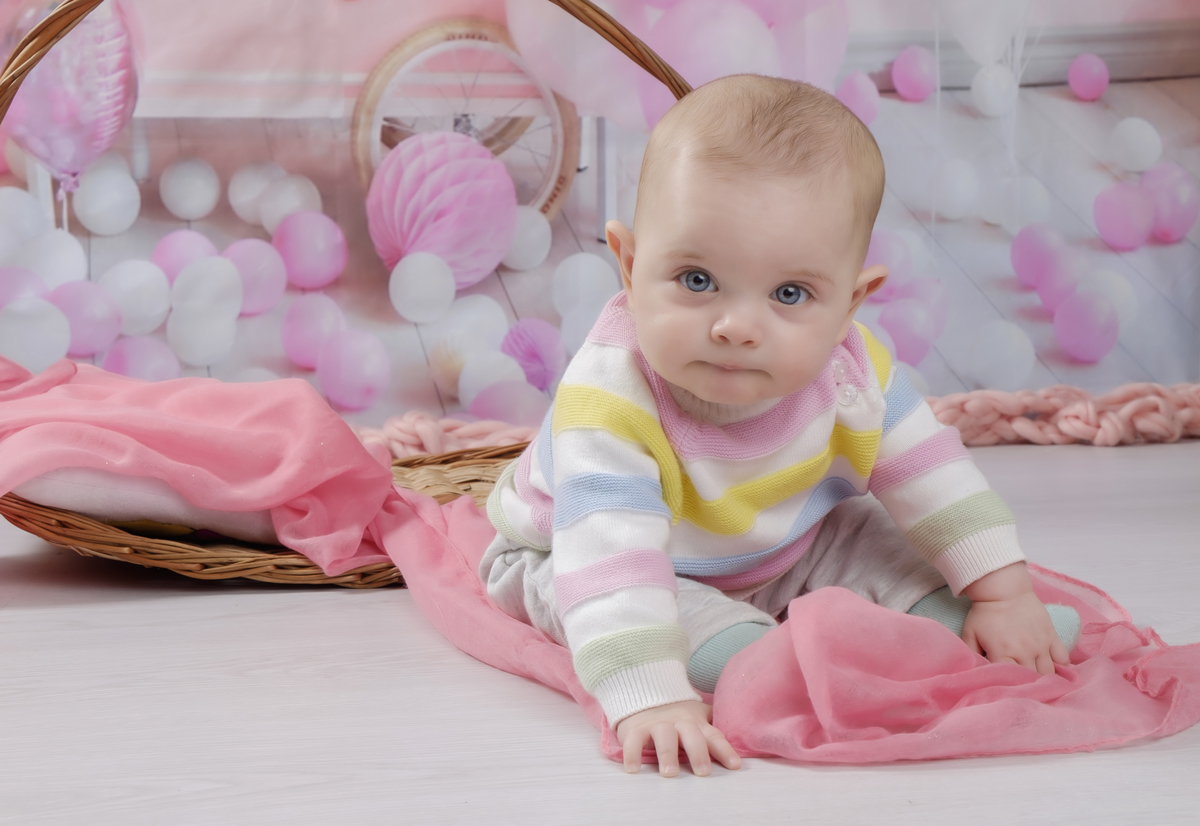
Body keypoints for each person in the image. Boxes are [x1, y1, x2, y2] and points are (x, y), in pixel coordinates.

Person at [478, 74, 1079, 777]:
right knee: (702, 641)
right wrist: (648, 697)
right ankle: (748, 653)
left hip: (787, 539)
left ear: (850, 305)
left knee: (874, 532)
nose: (735, 327)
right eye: (697, 280)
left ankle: (951, 622)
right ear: (632, 265)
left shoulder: (853, 373)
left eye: (790, 294)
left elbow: (931, 474)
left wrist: (1000, 589)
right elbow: (610, 557)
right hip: (585, 553)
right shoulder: (611, 400)